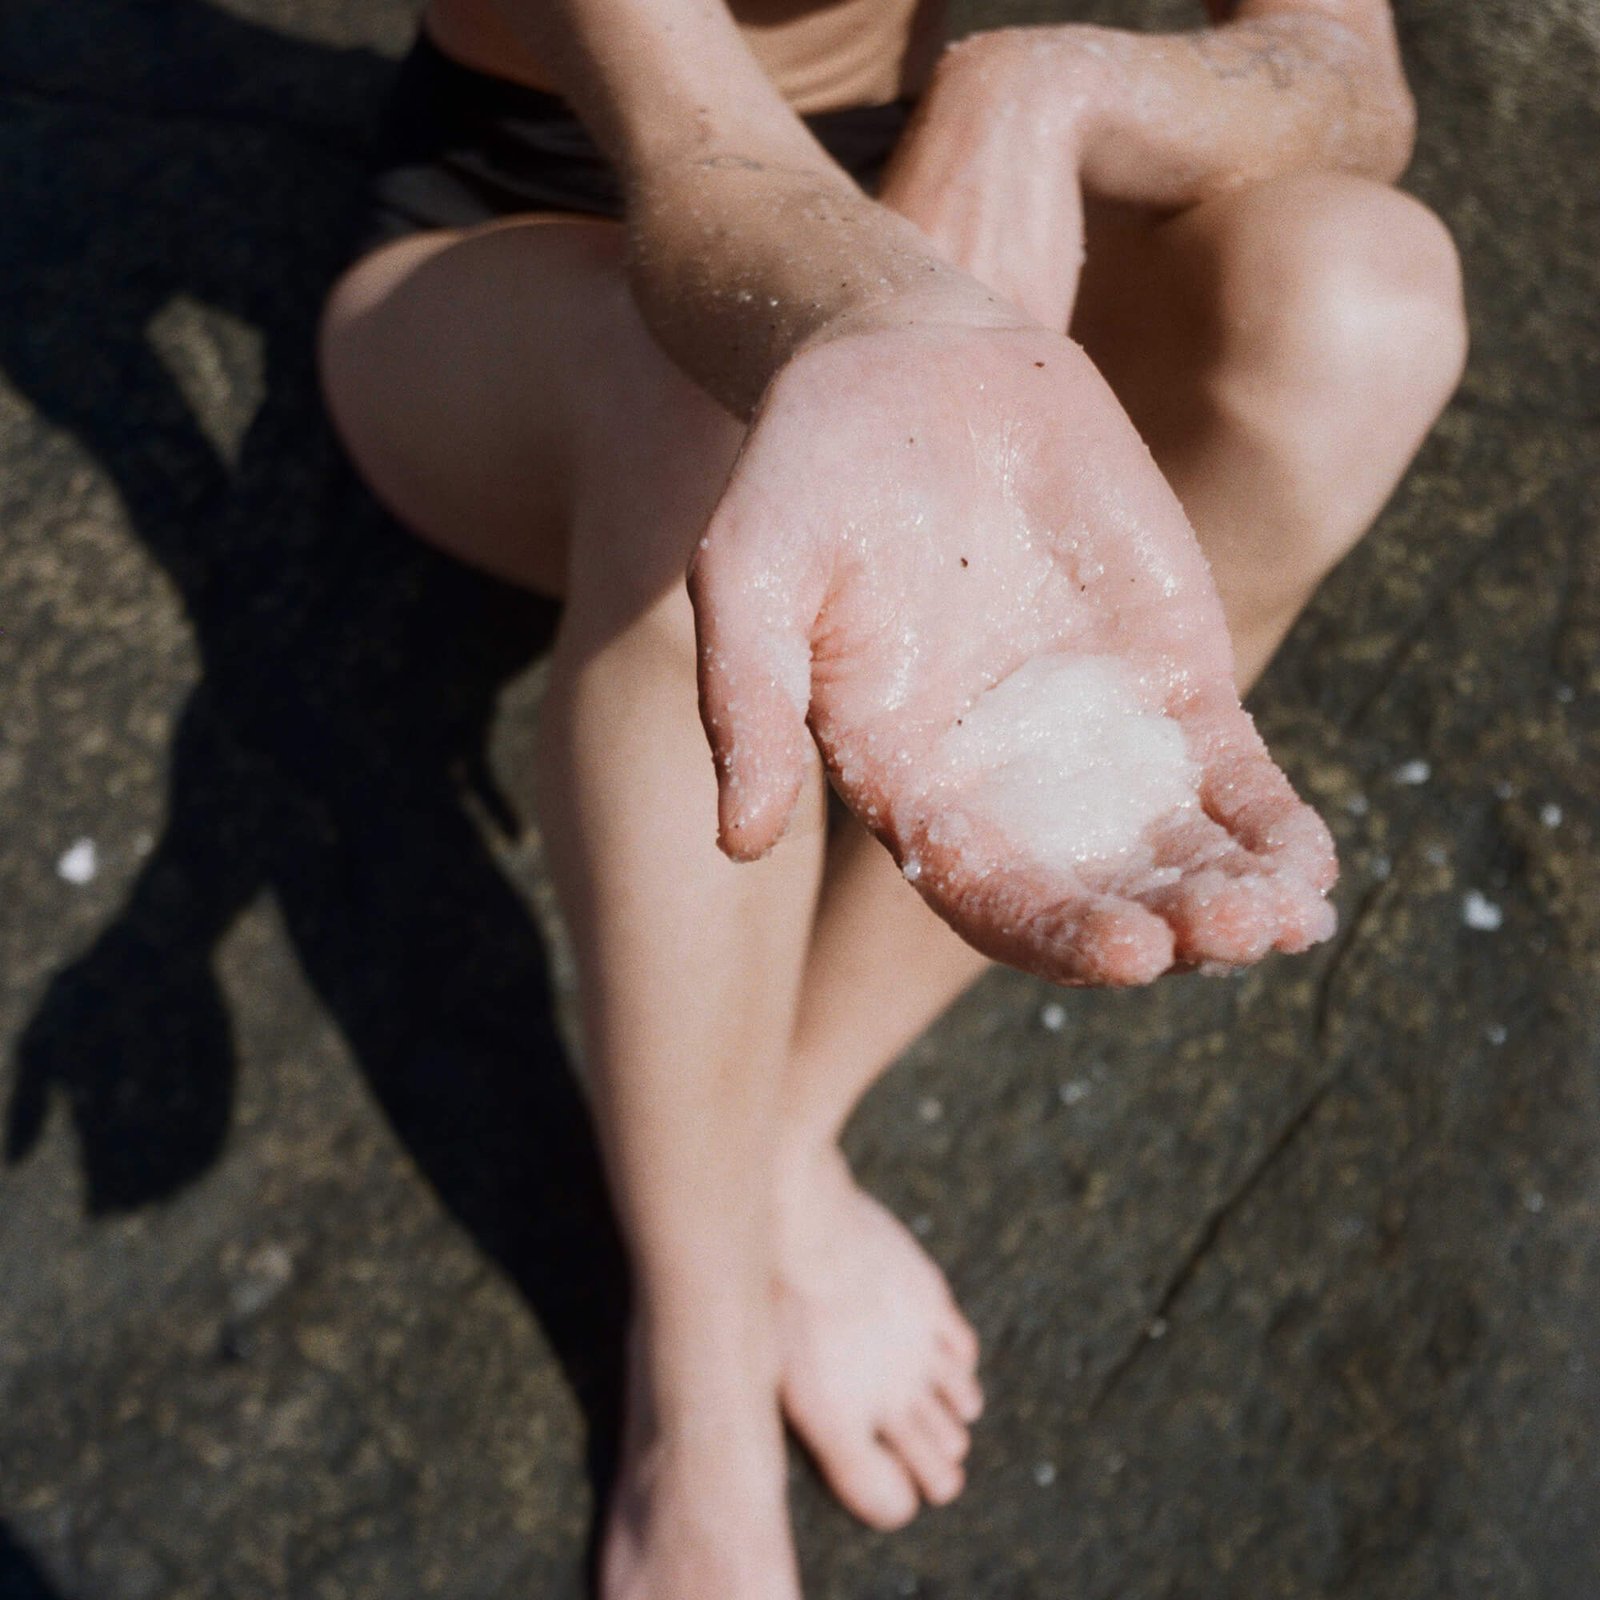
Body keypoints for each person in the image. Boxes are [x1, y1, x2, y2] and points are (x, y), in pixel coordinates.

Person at [318, 0, 1466, 1591]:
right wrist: (884, 320)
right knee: (712, 411)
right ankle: (699, 1371)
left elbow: (1352, 85)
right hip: (531, 241)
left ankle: (783, 1134)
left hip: (918, 218)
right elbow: (700, 156)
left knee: (1363, 300)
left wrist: (1048, 88)